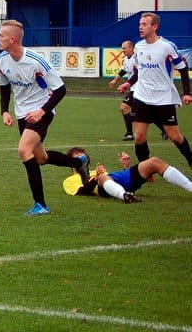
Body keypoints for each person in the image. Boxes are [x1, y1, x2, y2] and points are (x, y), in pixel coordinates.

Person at [0, 19, 89, 215]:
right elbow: (4, 87)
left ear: (12, 39)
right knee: (41, 158)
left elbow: (60, 89)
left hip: (41, 112)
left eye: (2, 35)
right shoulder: (2, 60)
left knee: (23, 150)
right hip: (23, 114)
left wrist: (42, 111)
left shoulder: (36, 61)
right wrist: (4, 111)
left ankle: (41, 205)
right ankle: (78, 163)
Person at [117, 12, 192, 167]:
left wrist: (187, 93)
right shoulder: (138, 46)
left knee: (174, 136)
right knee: (139, 137)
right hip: (142, 97)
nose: (140, 27)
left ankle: (191, 161)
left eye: (144, 24)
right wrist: (128, 83)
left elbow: (183, 69)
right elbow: (140, 70)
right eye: (140, 24)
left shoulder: (167, 46)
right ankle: (146, 170)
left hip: (164, 98)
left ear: (155, 26)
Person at [63, 148, 192, 202]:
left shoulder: (94, 171)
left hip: (117, 178)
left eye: (82, 153)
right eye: (77, 155)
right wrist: (96, 179)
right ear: (71, 162)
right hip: (104, 187)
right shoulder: (70, 180)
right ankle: (125, 196)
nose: (82, 156)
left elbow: (116, 180)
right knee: (103, 177)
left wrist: (126, 168)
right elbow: (81, 192)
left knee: (154, 162)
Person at [109, 40, 167, 142]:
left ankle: (130, 134)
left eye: (125, 48)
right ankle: (164, 130)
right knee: (142, 113)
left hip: (139, 89)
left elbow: (138, 72)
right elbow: (124, 70)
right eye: (122, 48)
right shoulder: (128, 59)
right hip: (134, 89)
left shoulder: (137, 58)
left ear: (131, 48)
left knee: (124, 108)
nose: (123, 50)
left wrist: (127, 84)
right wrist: (115, 80)